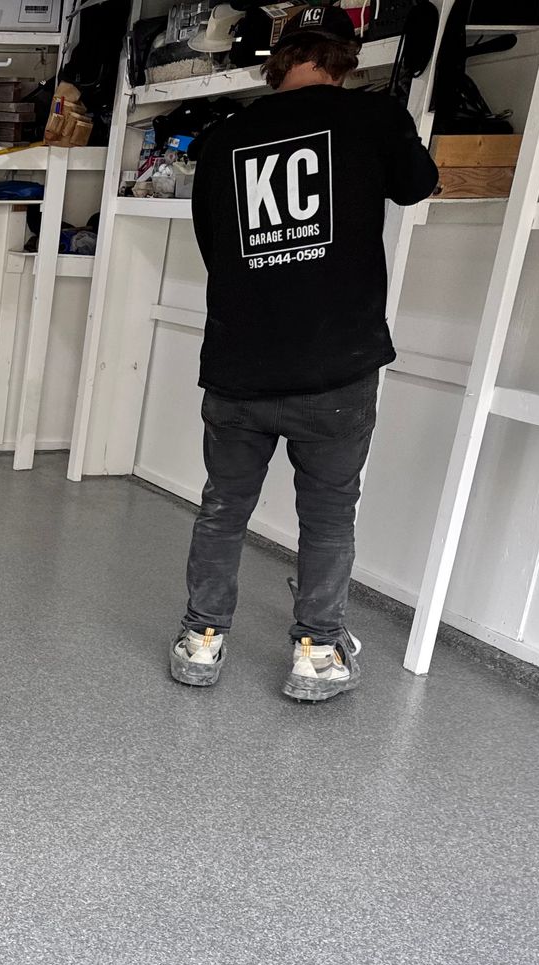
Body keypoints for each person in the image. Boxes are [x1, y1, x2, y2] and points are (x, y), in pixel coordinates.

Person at [168, 5, 438, 702]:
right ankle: (316, 653)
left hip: (240, 365)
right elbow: (417, 184)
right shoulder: (374, 117)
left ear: (278, 62)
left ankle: (201, 640)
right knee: (328, 517)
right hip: (335, 370)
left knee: (223, 507)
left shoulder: (224, 137)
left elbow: (212, 243)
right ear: (344, 59)